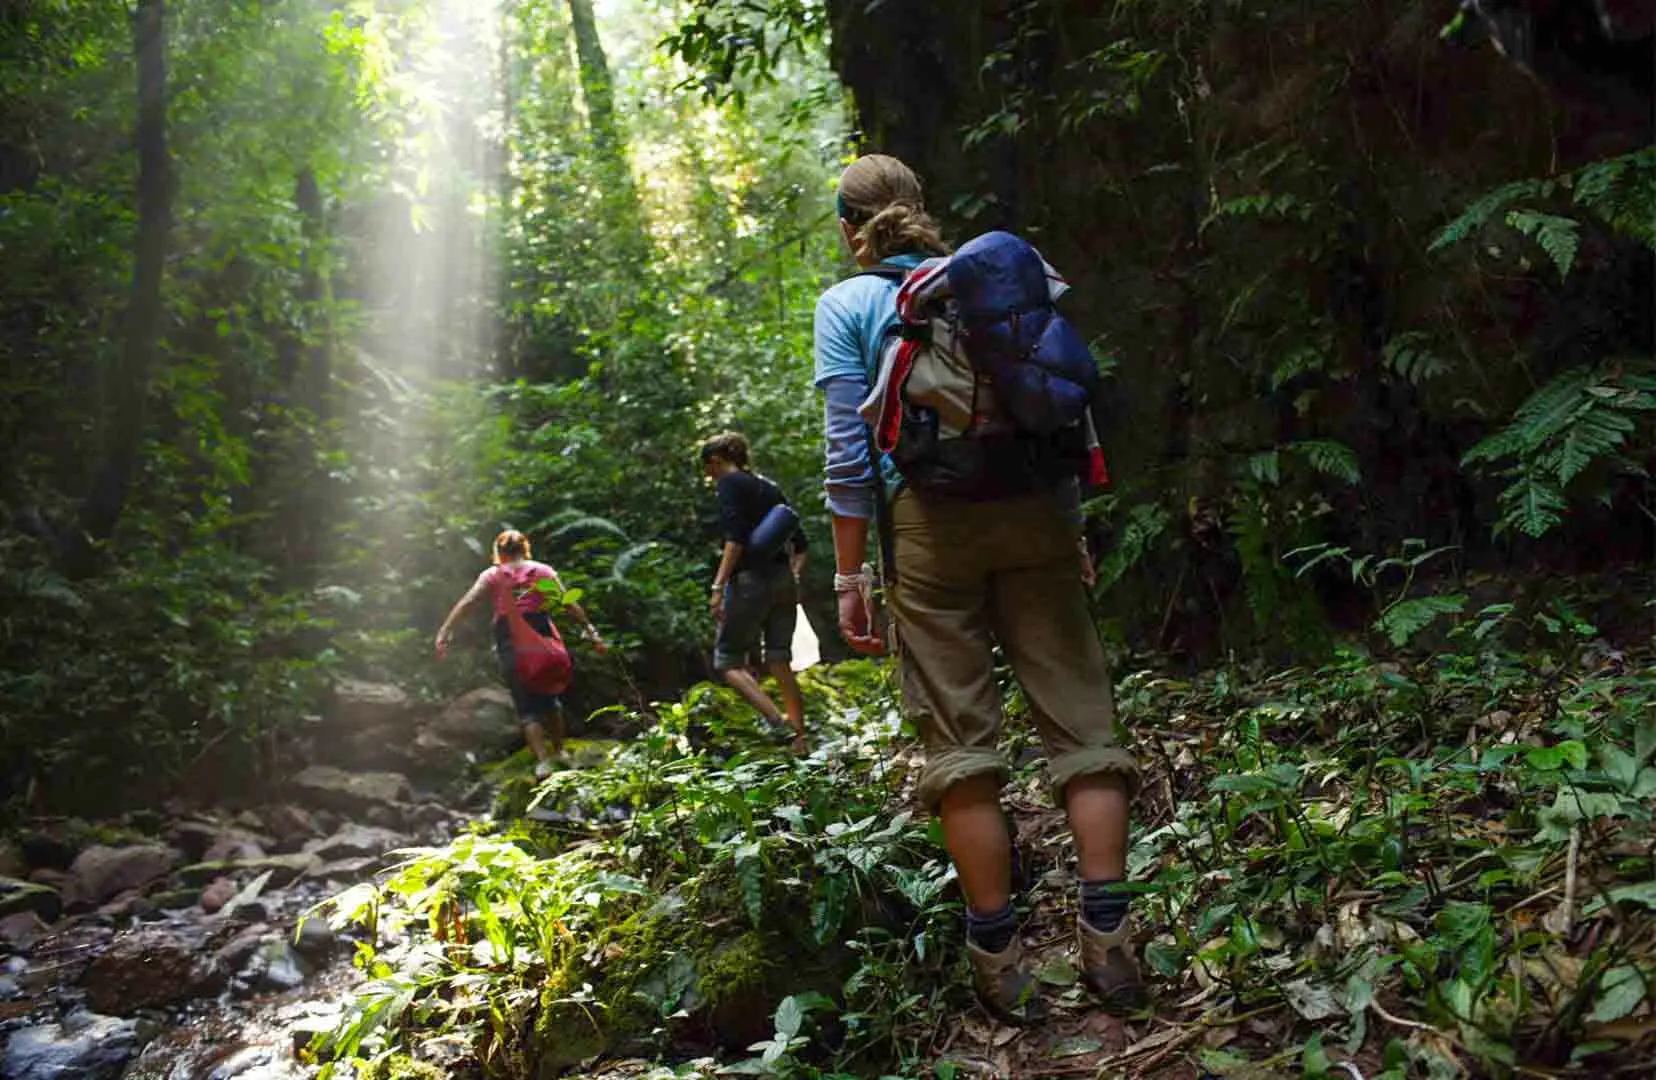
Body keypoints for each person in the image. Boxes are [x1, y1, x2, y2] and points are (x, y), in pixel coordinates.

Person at [813, 154, 1144, 1019]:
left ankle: (999, 958)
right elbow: (1063, 405)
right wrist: (1068, 530)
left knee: (961, 746)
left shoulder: (848, 305)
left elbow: (851, 453)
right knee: (1083, 721)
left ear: (851, 230)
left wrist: (849, 574)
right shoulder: (995, 281)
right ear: (921, 208)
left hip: (926, 528)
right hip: (1035, 509)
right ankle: (1110, 944)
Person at [435, 529, 607, 778]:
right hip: (542, 636)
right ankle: (560, 752)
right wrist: (591, 631)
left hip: (511, 640)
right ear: (524, 548)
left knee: (526, 704)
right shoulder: (543, 571)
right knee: (549, 697)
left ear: (500, 552)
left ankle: (543, 762)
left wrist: (445, 631)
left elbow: (468, 603)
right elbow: (568, 603)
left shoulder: (493, 575)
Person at [700, 432, 809, 754]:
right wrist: (792, 576)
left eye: (708, 469)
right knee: (779, 658)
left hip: (750, 581)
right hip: (782, 579)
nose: (710, 477)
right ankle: (802, 741)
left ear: (716, 461)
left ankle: (781, 726)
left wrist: (718, 586)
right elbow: (801, 544)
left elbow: (735, 539)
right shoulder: (769, 486)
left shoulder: (730, 484)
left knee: (728, 661)